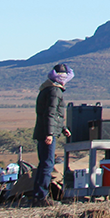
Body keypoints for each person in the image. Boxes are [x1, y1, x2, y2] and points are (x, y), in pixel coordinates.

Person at [32, 64, 73, 207]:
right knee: (47, 163)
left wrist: (62, 128)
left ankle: (38, 194)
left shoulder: (47, 89)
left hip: (44, 131)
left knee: (44, 163)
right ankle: (41, 196)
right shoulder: (54, 91)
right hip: (46, 133)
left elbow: (53, 114)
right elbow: (50, 113)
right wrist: (49, 133)